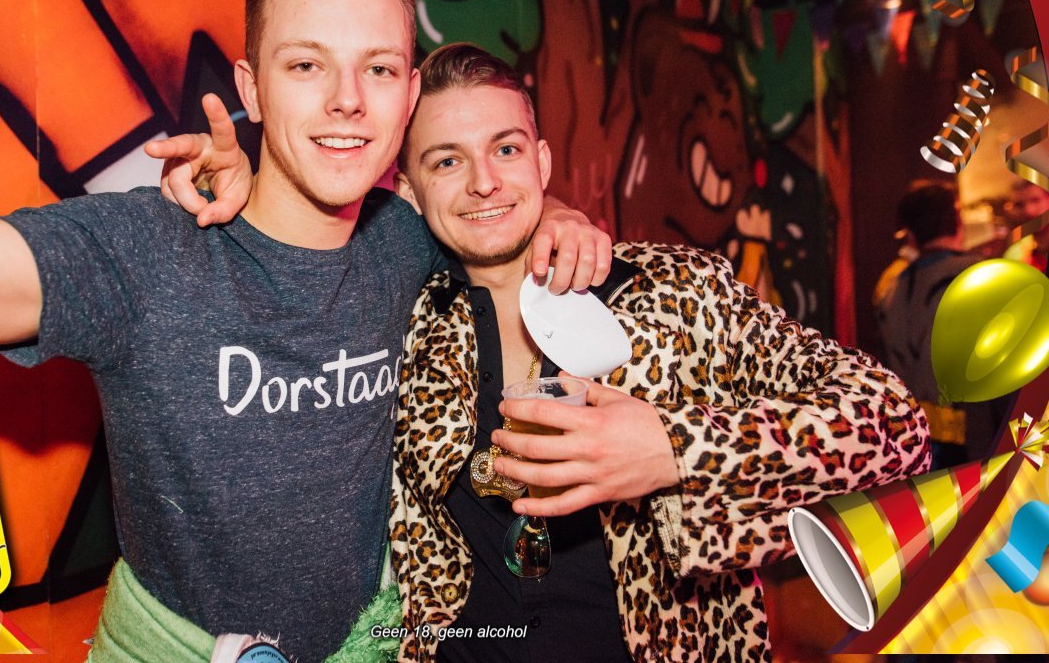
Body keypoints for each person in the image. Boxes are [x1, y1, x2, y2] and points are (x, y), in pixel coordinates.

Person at [0, 0, 609, 663]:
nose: (347, 100)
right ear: (251, 88)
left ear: (409, 95)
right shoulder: (151, 252)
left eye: (378, 69)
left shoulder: (404, 242)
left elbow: (488, 203)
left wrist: (558, 215)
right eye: (307, 65)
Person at [384, 43, 930, 662]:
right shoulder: (402, 327)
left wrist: (676, 451)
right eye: (447, 161)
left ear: (542, 161)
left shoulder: (674, 293)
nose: (484, 182)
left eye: (505, 149)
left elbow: (895, 427)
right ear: (409, 190)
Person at [875, 180, 1011, 465]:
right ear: (958, 222)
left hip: (913, 447)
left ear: (911, 235)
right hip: (982, 444)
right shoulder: (990, 278)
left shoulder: (891, 289)